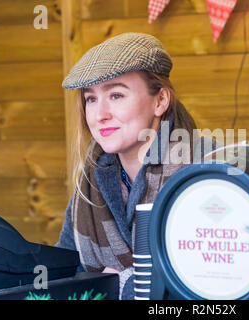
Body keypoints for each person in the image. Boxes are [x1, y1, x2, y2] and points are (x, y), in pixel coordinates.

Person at [55, 32, 219, 299]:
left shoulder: (208, 166)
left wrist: (121, 286)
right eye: (91, 99)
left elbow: (221, 278)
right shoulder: (89, 180)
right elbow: (65, 269)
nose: (100, 115)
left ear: (160, 101)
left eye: (116, 95)